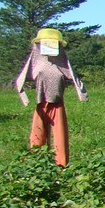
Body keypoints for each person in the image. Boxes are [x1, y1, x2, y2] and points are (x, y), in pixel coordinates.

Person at [14, 28, 88, 167]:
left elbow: (73, 75)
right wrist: (23, 96)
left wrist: (82, 94)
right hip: (41, 104)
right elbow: (20, 79)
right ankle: (36, 164)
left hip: (57, 104)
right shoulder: (36, 60)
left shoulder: (62, 61)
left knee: (60, 138)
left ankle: (61, 166)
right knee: (37, 136)